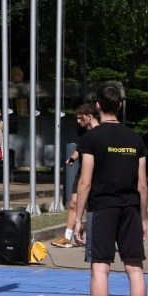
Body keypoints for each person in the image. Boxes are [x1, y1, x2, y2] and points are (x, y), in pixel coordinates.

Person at [74, 83, 148, 296]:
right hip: (129, 207)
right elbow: (142, 185)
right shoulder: (135, 139)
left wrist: (78, 219)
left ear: (97, 106)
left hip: (102, 208)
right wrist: (142, 218)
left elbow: (85, 182)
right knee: (135, 269)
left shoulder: (91, 139)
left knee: (100, 268)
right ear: (119, 106)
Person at [52, 103, 99, 248]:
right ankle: (67, 238)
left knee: (93, 207)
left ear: (90, 117)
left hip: (98, 172)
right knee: (73, 203)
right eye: (77, 118)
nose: (78, 121)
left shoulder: (102, 132)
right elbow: (80, 149)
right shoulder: (82, 132)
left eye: (81, 118)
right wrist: (73, 158)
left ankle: (102, 237)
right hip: (82, 172)